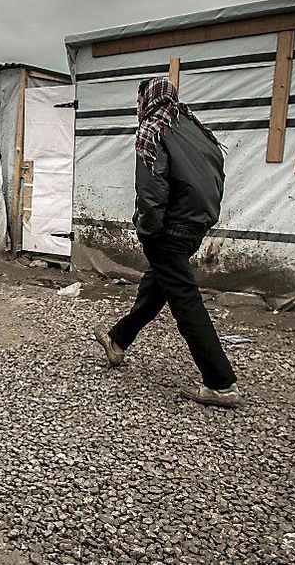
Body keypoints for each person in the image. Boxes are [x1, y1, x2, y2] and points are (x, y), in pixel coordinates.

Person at [93, 77, 240, 408]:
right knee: (157, 284)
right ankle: (118, 341)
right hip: (196, 223)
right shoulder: (195, 128)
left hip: (169, 228)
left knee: (184, 299)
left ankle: (220, 382)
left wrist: (148, 231)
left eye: (138, 99)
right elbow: (218, 175)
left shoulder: (152, 128)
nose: (137, 106)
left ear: (147, 98)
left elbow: (151, 189)